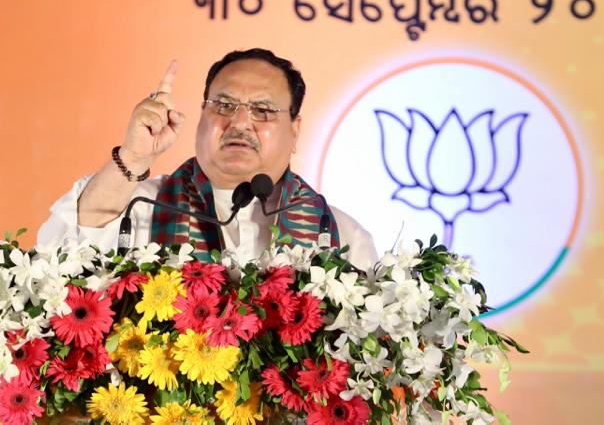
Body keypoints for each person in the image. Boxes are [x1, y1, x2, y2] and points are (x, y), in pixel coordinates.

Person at [37, 48, 378, 269]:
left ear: (295, 130)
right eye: (224, 106)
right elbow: (62, 244)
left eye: (263, 110)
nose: (240, 123)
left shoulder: (337, 234)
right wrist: (134, 155)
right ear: (201, 115)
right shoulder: (143, 206)